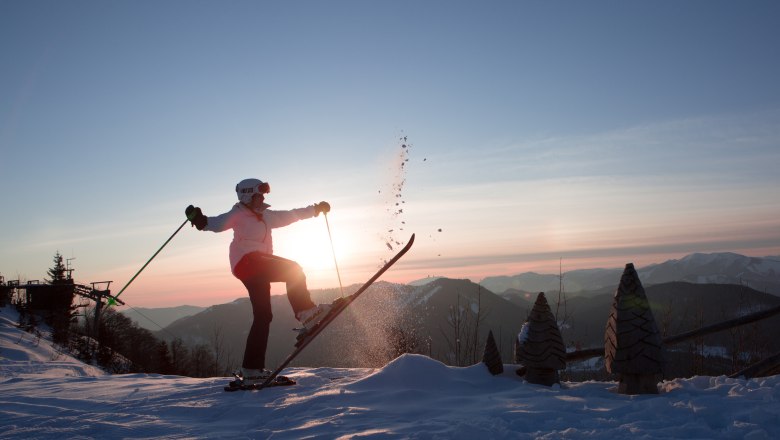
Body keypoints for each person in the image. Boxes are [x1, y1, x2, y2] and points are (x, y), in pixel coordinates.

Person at [185, 178, 331, 385]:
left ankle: (251, 368)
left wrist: (315, 210)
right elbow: (216, 224)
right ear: (247, 195)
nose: (262, 198)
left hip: (257, 267)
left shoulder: (266, 216)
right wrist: (200, 220)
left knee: (264, 316)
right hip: (248, 262)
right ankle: (306, 312)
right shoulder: (238, 214)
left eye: (263, 195)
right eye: (258, 195)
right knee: (293, 269)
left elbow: (291, 215)